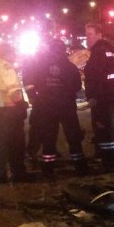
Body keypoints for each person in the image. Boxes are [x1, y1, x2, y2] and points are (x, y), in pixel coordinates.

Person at [25, 39, 87, 176]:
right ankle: (80, 167)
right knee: (73, 137)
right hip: (67, 106)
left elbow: (32, 83)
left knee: (48, 138)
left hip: (47, 107)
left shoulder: (41, 66)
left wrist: (37, 96)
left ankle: (48, 168)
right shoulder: (70, 67)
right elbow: (77, 86)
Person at [84, 24, 114, 172]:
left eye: (90, 34)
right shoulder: (107, 50)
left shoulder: (99, 52)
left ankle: (110, 162)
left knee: (105, 128)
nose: (87, 38)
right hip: (109, 95)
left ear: (99, 35)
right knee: (108, 127)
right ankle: (109, 157)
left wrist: (93, 96)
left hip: (103, 97)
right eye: (86, 34)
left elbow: (97, 77)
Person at [0, 43, 29, 183]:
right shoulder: (6, 67)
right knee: (16, 142)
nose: (14, 58)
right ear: (7, 54)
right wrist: (21, 103)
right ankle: (18, 172)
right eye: (12, 54)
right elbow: (13, 91)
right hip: (9, 110)